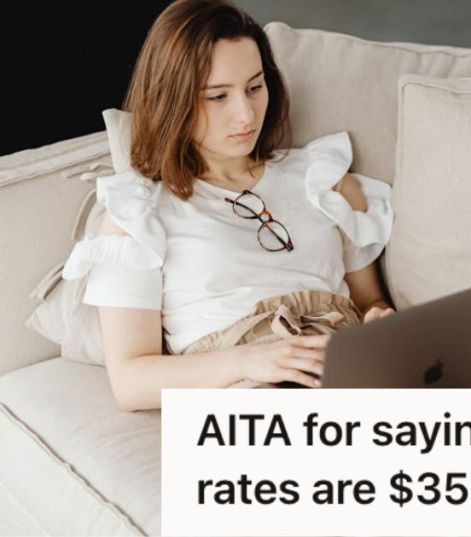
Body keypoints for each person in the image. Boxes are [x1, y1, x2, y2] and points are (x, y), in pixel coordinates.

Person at [62, 0, 395, 411]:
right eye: (218, 96)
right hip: (243, 391)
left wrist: (379, 323)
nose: (246, 114)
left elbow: (370, 302)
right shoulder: (138, 215)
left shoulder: (322, 179)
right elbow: (130, 382)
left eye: (255, 88)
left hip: (345, 369)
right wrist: (249, 361)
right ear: (172, 100)